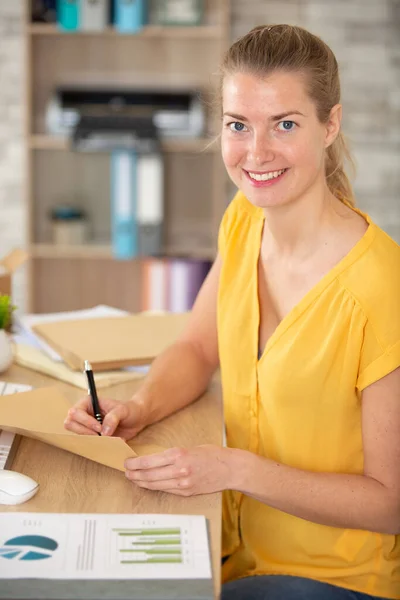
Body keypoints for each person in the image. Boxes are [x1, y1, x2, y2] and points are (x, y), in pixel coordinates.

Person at [64, 24, 400, 600]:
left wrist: (236, 469)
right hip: (230, 552)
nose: (256, 153)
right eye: (238, 125)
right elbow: (198, 347)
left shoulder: (382, 287)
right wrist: (141, 406)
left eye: (285, 124)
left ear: (331, 125)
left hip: (332, 580)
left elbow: (391, 501)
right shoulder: (244, 221)